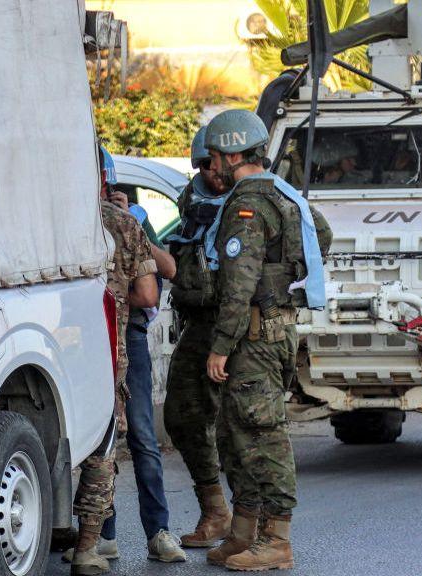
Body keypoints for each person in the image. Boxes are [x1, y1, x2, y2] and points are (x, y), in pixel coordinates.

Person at [201, 109, 332, 571]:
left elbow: (239, 283)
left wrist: (220, 345)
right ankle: (244, 533)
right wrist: (288, 276)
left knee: (263, 436)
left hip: (252, 337)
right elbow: (323, 234)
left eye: (215, 156)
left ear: (234, 154)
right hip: (271, 331)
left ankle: (276, 540)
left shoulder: (248, 206)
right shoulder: (285, 195)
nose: (211, 165)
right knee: (237, 433)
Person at [69, 148, 161, 576]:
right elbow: (148, 295)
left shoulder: (53, 220)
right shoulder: (123, 223)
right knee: (103, 446)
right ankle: (89, 545)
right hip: (107, 350)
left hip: (52, 344)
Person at [94, 148, 184, 564]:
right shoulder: (121, 223)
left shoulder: (117, 223)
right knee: (143, 437)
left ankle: (100, 534)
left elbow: (168, 268)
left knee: (99, 438)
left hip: (81, 337)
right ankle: (158, 533)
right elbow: (149, 293)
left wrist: (139, 227)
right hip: (126, 335)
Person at [163, 125, 235, 549]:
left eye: (217, 162)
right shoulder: (193, 200)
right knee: (182, 415)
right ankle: (216, 511)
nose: (211, 171)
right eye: (204, 164)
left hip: (239, 322)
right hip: (199, 322)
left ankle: (255, 522)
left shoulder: (257, 197)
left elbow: (315, 236)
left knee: (241, 426)